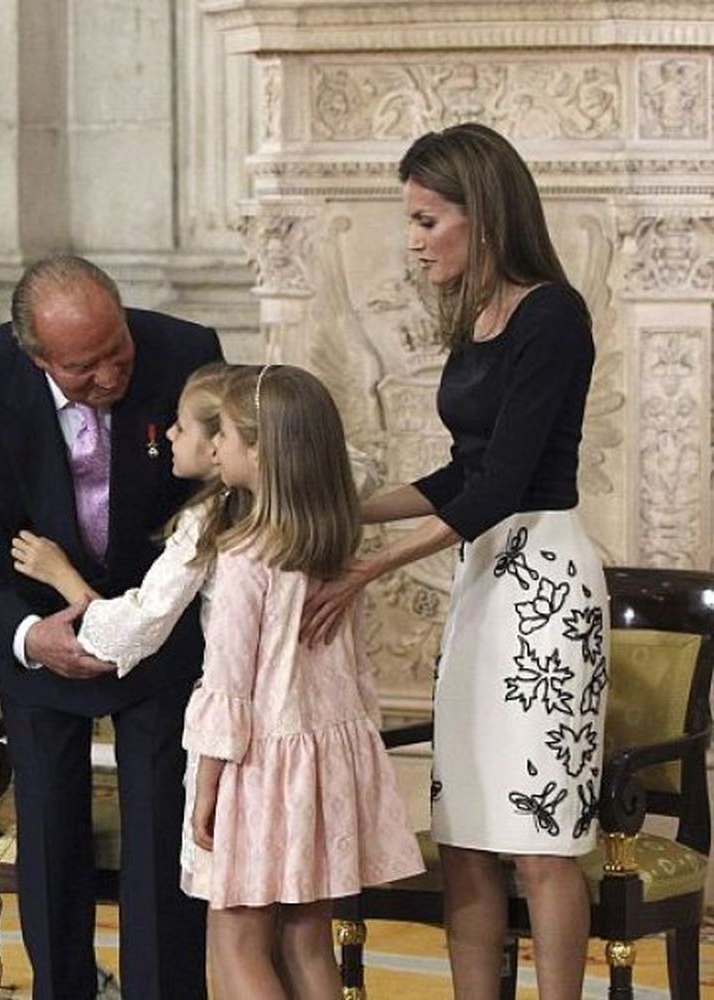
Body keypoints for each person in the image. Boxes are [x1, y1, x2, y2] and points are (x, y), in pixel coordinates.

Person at [301, 122, 608, 1000]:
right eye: (411, 221)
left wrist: (365, 568)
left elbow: (504, 484)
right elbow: (459, 474)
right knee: (465, 834)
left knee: (541, 840)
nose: (413, 240)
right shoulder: (476, 318)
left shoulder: (553, 313)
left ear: (486, 214)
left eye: (429, 220)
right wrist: (346, 511)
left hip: (545, 583)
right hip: (485, 583)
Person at [14, 363, 424, 998]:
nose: (207, 444)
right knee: (309, 945)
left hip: (255, 767)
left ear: (256, 451)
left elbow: (228, 684)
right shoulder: (330, 533)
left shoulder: (240, 553)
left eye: (224, 435)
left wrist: (204, 788)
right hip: (323, 761)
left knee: (234, 945)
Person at [0, 255, 221, 998]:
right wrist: (30, 635)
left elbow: (226, 502)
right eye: (84, 368)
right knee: (51, 843)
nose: (110, 377)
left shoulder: (186, 352)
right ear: (37, 357)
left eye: (117, 351)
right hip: (41, 640)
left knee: (162, 845)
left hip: (158, 637)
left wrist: (141, 619)